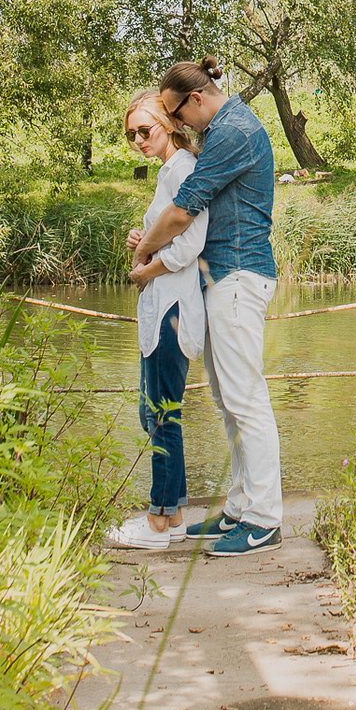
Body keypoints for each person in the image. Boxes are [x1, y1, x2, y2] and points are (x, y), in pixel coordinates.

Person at [131, 55, 283, 555]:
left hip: (238, 275)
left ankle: (263, 520)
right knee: (226, 401)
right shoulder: (225, 128)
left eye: (176, 115)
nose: (177, 126)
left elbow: (181, 211)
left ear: (196, 99)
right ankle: (239, 508)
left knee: (246, 400)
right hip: (222, 278)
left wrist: (142, 251)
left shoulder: (233, 130)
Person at [107, 93, 209, 552]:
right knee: (155, 414)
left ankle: (156, 524)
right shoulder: (168, 173)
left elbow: (190, 245)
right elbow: (164, 232)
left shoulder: (185, 169)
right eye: (131, 135)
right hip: (159, 308)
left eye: (144, 131)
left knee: (163, 415)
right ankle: (177, 516)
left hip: (173, 308)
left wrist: (144, 267)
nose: (137, 141)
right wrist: (142, 238)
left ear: (168, 122)